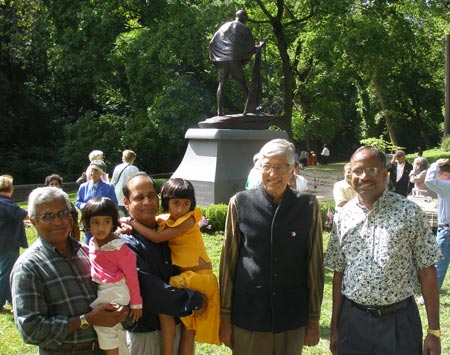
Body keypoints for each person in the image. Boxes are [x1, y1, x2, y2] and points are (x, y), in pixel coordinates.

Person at [325, 146, 442, 355]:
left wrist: (434, 331)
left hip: (399, 323)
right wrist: (335, 327)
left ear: (385, 172)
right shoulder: (343, 217)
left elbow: (427, 270)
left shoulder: (409, 212)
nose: (363, 177)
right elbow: (338, 274)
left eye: (372, 170)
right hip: (353, 322)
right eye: (357, 171)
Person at [219, 139, 324, 355]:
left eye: (281, 167)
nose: (273, 174)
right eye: (267, 166)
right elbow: (228, 263)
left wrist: (313, 319)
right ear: (259, 168)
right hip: (249, 313)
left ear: (292, 170)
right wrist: (225, 317)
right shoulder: (239, 203)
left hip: (291, 314)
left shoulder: (308, 206)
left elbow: (315, 264)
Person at [11, 187, 128, 354]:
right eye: (47, 216)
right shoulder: (29, 267)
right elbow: (31, 330)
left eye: (63, 213)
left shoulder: (89, 253)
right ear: (33, 221)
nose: (58, 221)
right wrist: (84, 320)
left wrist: (122, 310)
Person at [124, 178, 220, 355]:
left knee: (187, 334)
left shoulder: (165, 228)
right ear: (126, 203)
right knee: (169, 317)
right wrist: (194, 300)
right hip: (148, 334)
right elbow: (151, 290)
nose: (147, 202)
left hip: (182, 313)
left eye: (151, 196)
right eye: (139, 197)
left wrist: (131, 222)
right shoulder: (126, 242)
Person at [82, 197, 143, 355]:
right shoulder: (94, 242)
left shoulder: (119, 248)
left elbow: (132, 277)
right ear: (87, 223)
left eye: (106, 221)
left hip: (115, 289)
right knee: (117, 331)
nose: (101, 227)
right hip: (104, 288)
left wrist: (136, 304)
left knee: (105, 325)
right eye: (96, 222)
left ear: (113, 222)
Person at [209, 10, 264, 116]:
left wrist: (217, 56)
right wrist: (259, 46)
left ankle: (219, 111)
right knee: (243, 84)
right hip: (233, 59)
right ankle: (251, 108)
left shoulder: (224, 26)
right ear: (243, 17)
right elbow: (251, 48)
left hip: (222, 60)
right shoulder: (243, 28)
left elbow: (212, 42)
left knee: (221, 84)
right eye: (246, 18)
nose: (246, 21)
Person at [0, 175, 28, 314]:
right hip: (8, 244)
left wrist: (22, 224)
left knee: (3, 271)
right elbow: (25, 214)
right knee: (7, 273)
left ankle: (11, 299)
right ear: (10, 188)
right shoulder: (7, 203)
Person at [76, 160, 118, 244]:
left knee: (104, 244)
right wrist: (88, 206)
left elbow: (114, 203)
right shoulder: (83, 187)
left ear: (101, 173)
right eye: (92, 170)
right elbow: (78, 202)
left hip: (103, 222)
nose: (93, 173)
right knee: (89, 244)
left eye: (96, 171)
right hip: (88, 221)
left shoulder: (108, 187)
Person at [425, 159, 450, 291]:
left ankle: (431, 293)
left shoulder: (447, 185)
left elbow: (428, 181)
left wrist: (435, 164)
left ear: (446, 175)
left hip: (447, 231)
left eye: (438, 174)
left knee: (439, 265)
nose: (436, 177)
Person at [45, 173, 81, 241]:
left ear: (60, 186)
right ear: (47, 186)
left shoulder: (64, 197)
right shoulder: (44, 200)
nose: (54, 186)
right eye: (51, 184)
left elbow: (73, 212)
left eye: (56, 184)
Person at [110, 150, 139, 217]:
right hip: (129, 193)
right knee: (130, 214)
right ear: (133, 158)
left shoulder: (117, 167)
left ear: (123, 158)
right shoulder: (134, 168)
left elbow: (113, 181)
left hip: (118, 193)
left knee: (120, 215)